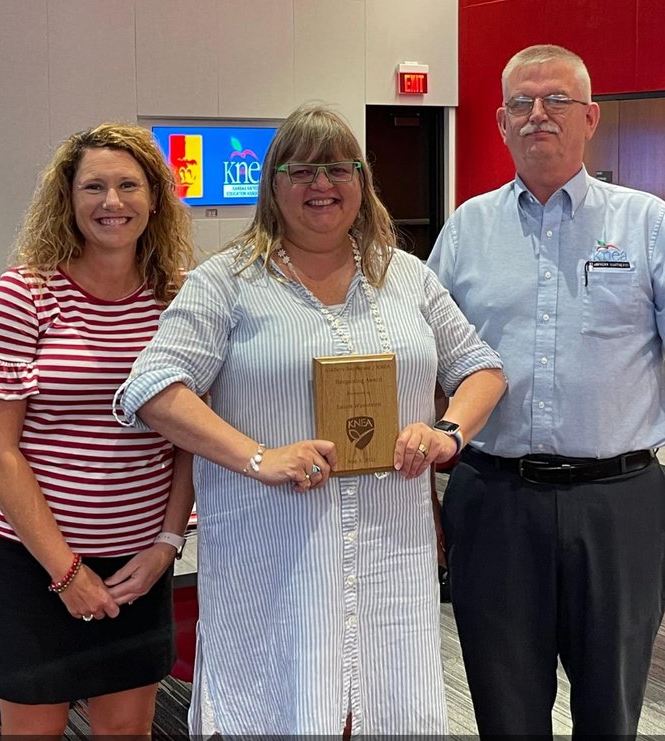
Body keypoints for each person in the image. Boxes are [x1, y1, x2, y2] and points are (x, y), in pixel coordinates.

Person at [114, 104, 506, 736]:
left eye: (338, 168)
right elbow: (154, 387)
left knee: (385, 708)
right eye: (301, 170)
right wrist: (258, 456)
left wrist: (448, 431)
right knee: (275, 706)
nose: (321, 185)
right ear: (273, 184)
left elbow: (482, 368)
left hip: (389, 548)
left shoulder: (405, 276)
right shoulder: (228, 281)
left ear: (362, 181)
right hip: (271, 549)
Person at [427, 44, 665, 737]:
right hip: (493, 500)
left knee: (610, 712)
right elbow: (424, 370)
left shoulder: (648, 223)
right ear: (502, 124)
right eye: (521, 103)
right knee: (506, 715)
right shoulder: (465, 231)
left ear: (591, 116)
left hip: (619, 506)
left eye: (557, 100)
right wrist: (424, 501)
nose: (539, 114)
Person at [0, 123, 196, 736]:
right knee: (35, 732)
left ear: (155, 198)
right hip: (30, 561)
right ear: (67, 199)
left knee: (127, 729)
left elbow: (189, 437)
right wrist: (66, 572)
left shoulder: (175, 297)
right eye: (93, 186)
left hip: (139, 563)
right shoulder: (26, 294)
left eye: (129, 185)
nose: (112, 202)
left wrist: (167, 544)